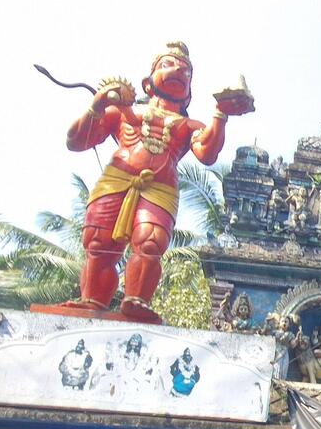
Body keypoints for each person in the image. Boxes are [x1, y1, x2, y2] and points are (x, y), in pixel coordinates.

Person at [62, 41, 254, 323]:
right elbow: (77, 141)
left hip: (160, 187)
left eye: (185, 71)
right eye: (168, 64)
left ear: (189, 93)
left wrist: (220, 114)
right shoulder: (123, 113)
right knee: (98, 241)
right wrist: (98, 105)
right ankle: (91, 300)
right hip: (117, 177)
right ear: (147, 83)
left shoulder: (189, 126)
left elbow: (207, 154)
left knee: (150, 242)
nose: (178, 70)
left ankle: (137, 299)